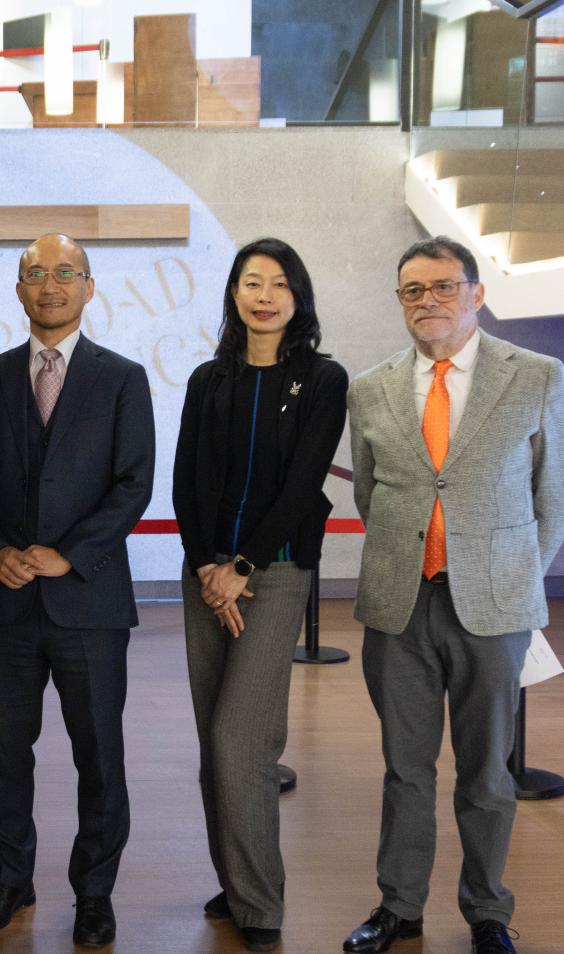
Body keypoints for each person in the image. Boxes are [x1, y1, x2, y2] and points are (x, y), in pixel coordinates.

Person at [343, 236, 564, 954]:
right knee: (404, 769)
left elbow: (555, 496)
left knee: (486, 771)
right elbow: (368, 491)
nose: (428, 302)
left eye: (443, 286)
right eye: (413, 290)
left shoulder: (536, 377)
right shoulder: (371, 387)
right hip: (399, 605)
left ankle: (487, 913)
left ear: (476, 293)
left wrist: (511, 575)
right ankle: (399, 907)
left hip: (494, 606)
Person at [0, 234, 154, 949]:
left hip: (90, 602)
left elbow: (134, 485)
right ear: (18, 290)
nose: (50, 284)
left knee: (99, 754)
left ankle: (94, 893)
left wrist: (65, 557)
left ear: (89, 287)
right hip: (6, 601)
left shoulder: (123, 378)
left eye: (64, 272)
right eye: (35, 274)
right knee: (7, 754)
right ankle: (9, 880)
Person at [170, 239, 348, 953]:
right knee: (213, 740)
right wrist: (208, 569)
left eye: (279, 284)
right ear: (234, 294)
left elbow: (304, 483)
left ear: (297, 298)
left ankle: (261, 903)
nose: (264, 295)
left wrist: (241, 567)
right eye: (251, 282)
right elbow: (186, 483)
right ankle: (235, 878)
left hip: (272, 576)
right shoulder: (208, 379)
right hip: (207, 579)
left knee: (240, 738)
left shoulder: (323, 379)